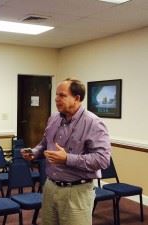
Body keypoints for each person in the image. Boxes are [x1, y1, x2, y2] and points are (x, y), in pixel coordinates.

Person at [22, 78, 111, 225]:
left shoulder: (94, 123)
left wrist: (67, 158)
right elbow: (45, 143)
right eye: (56, 95)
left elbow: (102, 159)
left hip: (77, 191)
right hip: (50, 186)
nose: (57, 99)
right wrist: (34, 152)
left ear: (77, 98)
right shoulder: (54, 119)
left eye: (62, 95)